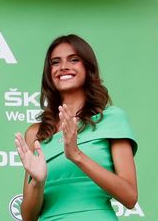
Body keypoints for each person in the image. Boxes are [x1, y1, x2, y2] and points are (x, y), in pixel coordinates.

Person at [14, 34, 138, 221]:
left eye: (74, 60)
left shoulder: (112, 119)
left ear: (88, 68)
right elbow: (28, 217)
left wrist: (76, 155)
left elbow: (130, 198)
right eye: (55, 62)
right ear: (49, 73)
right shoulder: (35, 133)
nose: (63, 67)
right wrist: (38, 183)